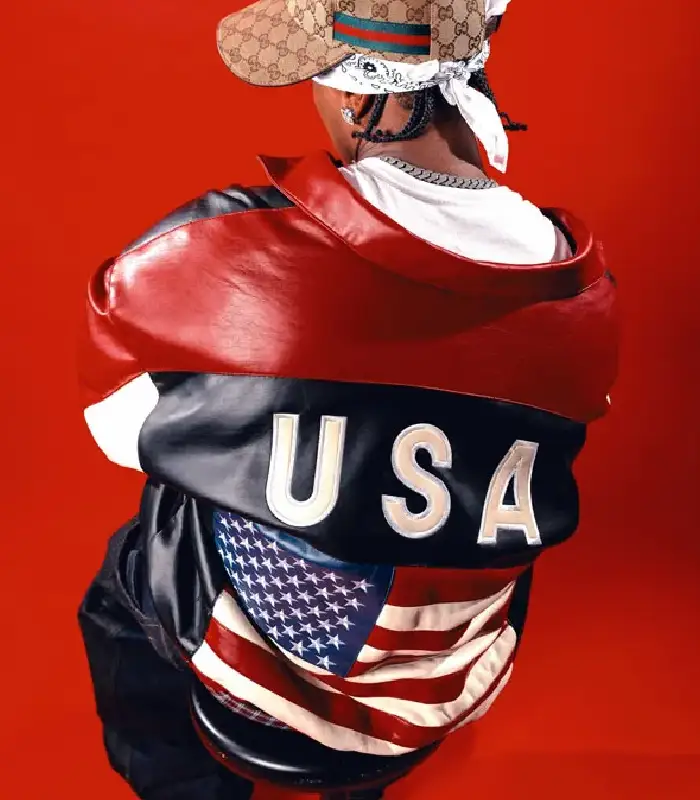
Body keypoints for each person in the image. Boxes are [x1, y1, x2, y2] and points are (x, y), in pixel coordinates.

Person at [77, 1, 619, 798]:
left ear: (365, 97)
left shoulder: (220, 246)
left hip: (243, 673)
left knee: (149, 532)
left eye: (321, 79)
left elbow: (117, 427)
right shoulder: (586, 291)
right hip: (436, 687)